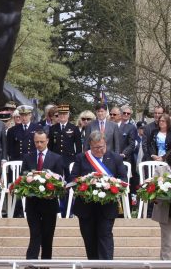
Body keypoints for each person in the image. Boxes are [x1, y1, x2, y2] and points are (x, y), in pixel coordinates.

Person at [71, 131, 128, 260]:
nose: (99, 150)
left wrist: (112, 184)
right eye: (96, 147)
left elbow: (124, 179)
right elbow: (73, 178)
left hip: (107, 206)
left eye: (102, 147)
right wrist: (86, 182)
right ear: (90, 146)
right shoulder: (81, 158)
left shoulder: (115, 158)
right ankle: (94, 266)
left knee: (105, 235)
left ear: (105, 144)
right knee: (88, 236)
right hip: (86, 206)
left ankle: (106, 266)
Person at [21, 130, 66, 260]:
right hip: (32, 202)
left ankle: (46, 261)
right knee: (34, 232)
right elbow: (23, 177)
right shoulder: (27, 157)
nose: (39, 144)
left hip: (49, 202)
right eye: (36, 142)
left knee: (47, 234)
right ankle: (31, 260)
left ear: (47, 141)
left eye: (41, 142)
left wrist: (51, 192)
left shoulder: (56, 158)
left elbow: (59, 181)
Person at [48, 104, 81, 169]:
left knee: (69, 178)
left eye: (65, 114)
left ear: (68, 115)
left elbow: (78, 146)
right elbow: (50, 146)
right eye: (60, 114)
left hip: (70, 159)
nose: (62, 116)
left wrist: (77, 159)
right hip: (56, 158)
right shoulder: (52, 128)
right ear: (58, 115)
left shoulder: (74, 128)